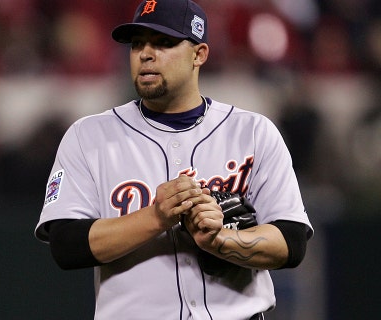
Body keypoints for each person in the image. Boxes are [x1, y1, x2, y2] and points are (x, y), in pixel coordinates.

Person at [34, 0, 313, 319]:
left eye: (164, 42)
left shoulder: (253, 132)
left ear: (199, 54)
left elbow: (292, 243)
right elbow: (66, 246)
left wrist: (221, 239)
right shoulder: (89, 136)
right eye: (137, 44)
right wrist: (156, 217)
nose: (146, 54)